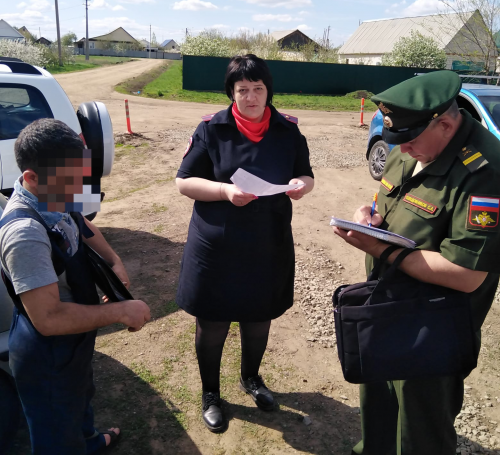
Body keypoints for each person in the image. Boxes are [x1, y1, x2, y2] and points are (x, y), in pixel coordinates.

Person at [333, 70, 500, 455]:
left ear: (444, 124)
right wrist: (368, 218)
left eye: (408, 141)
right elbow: (388, 203)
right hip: (385, 306)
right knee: (377, 403)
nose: (401, 150)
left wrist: (381, 251)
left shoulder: (485, 173)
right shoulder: (409, 145)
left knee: (420, 426)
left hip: (432, 327)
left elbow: (466, 275)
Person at [175, 54, 314, 432]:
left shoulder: (287, 130)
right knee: (214, 322)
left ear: (268, 90)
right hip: (216, 247)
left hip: (267, 244)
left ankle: (251, 378)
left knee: (258, 319)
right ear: (231, 92)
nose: (251, 97)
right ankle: (211, 394)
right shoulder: (212, 129)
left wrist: (302, 185)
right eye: (242, 90)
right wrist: (224, 191)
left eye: (258, 89)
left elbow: (305, 173)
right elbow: (184, 181)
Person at [0, 119, 151, 454]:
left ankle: (91, 440)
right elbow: (49, 318)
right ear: (31, 178)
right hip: (47, 354)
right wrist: (121, 310)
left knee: (81, 398)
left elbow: (80, 222)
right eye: (71, 179)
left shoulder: (55, 191)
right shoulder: (24, 233)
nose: (79, 186)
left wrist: (113, 260)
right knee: (56, 434)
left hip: (74, 343)